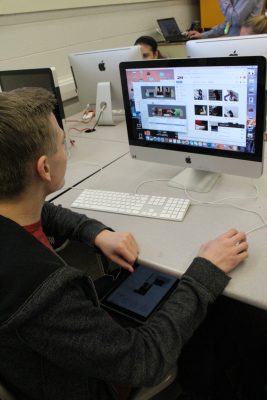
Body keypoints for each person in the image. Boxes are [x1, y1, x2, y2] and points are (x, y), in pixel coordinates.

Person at [0, 87, 249, 400]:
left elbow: (44, 210)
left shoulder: (12, 211)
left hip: (52, 354)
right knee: (222, 310)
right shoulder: (42, 289)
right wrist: (206, 271)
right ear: (44, 168)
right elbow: (143, 361)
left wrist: (96, 233)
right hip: (96, 381)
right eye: (63, 144)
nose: (67, 149)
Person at [188, 0, 264, 39]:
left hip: (246, 44)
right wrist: (202, 35)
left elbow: (235, 19)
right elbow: (228, 25)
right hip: (237, 44)